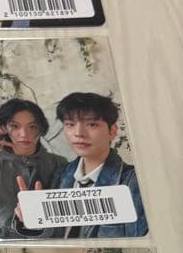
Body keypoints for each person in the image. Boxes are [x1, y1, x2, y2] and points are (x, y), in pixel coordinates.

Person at [29, 93, 146, 239]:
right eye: (70, 124)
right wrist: (33, 221)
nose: (79, 133)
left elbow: (138, 246)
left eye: (92, 124)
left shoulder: (134, 182)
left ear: (112, 131)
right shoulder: (60, 174)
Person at [0, 97, 66, 236]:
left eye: (32, 127)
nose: (24, 134)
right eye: (15, 126)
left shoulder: (58, 163)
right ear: (4, 128)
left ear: (40, 129)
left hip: (47, 240)